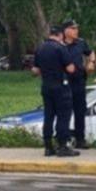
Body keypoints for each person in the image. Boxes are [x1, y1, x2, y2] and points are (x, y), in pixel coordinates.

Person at [31, 25, 78, 157]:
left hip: (46, 86)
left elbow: (35, 70)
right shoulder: (60, 48)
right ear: (60, 35)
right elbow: (70, 69)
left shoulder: (40, 48)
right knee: (63, 116)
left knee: (49, 116)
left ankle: (48, 147)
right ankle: (62, 146)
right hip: (60, 87)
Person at [62, 20, 94, 149]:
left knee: (80, 111)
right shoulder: (59, 44)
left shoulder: (81, 42)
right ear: (66, 31)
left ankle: (80, 139)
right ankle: (64, 140)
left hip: (79, 81)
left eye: (77, 28)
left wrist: (91, 62)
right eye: (73, 28)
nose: (76, 31)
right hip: (64, 83)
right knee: (65, 112)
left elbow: (90, 52)